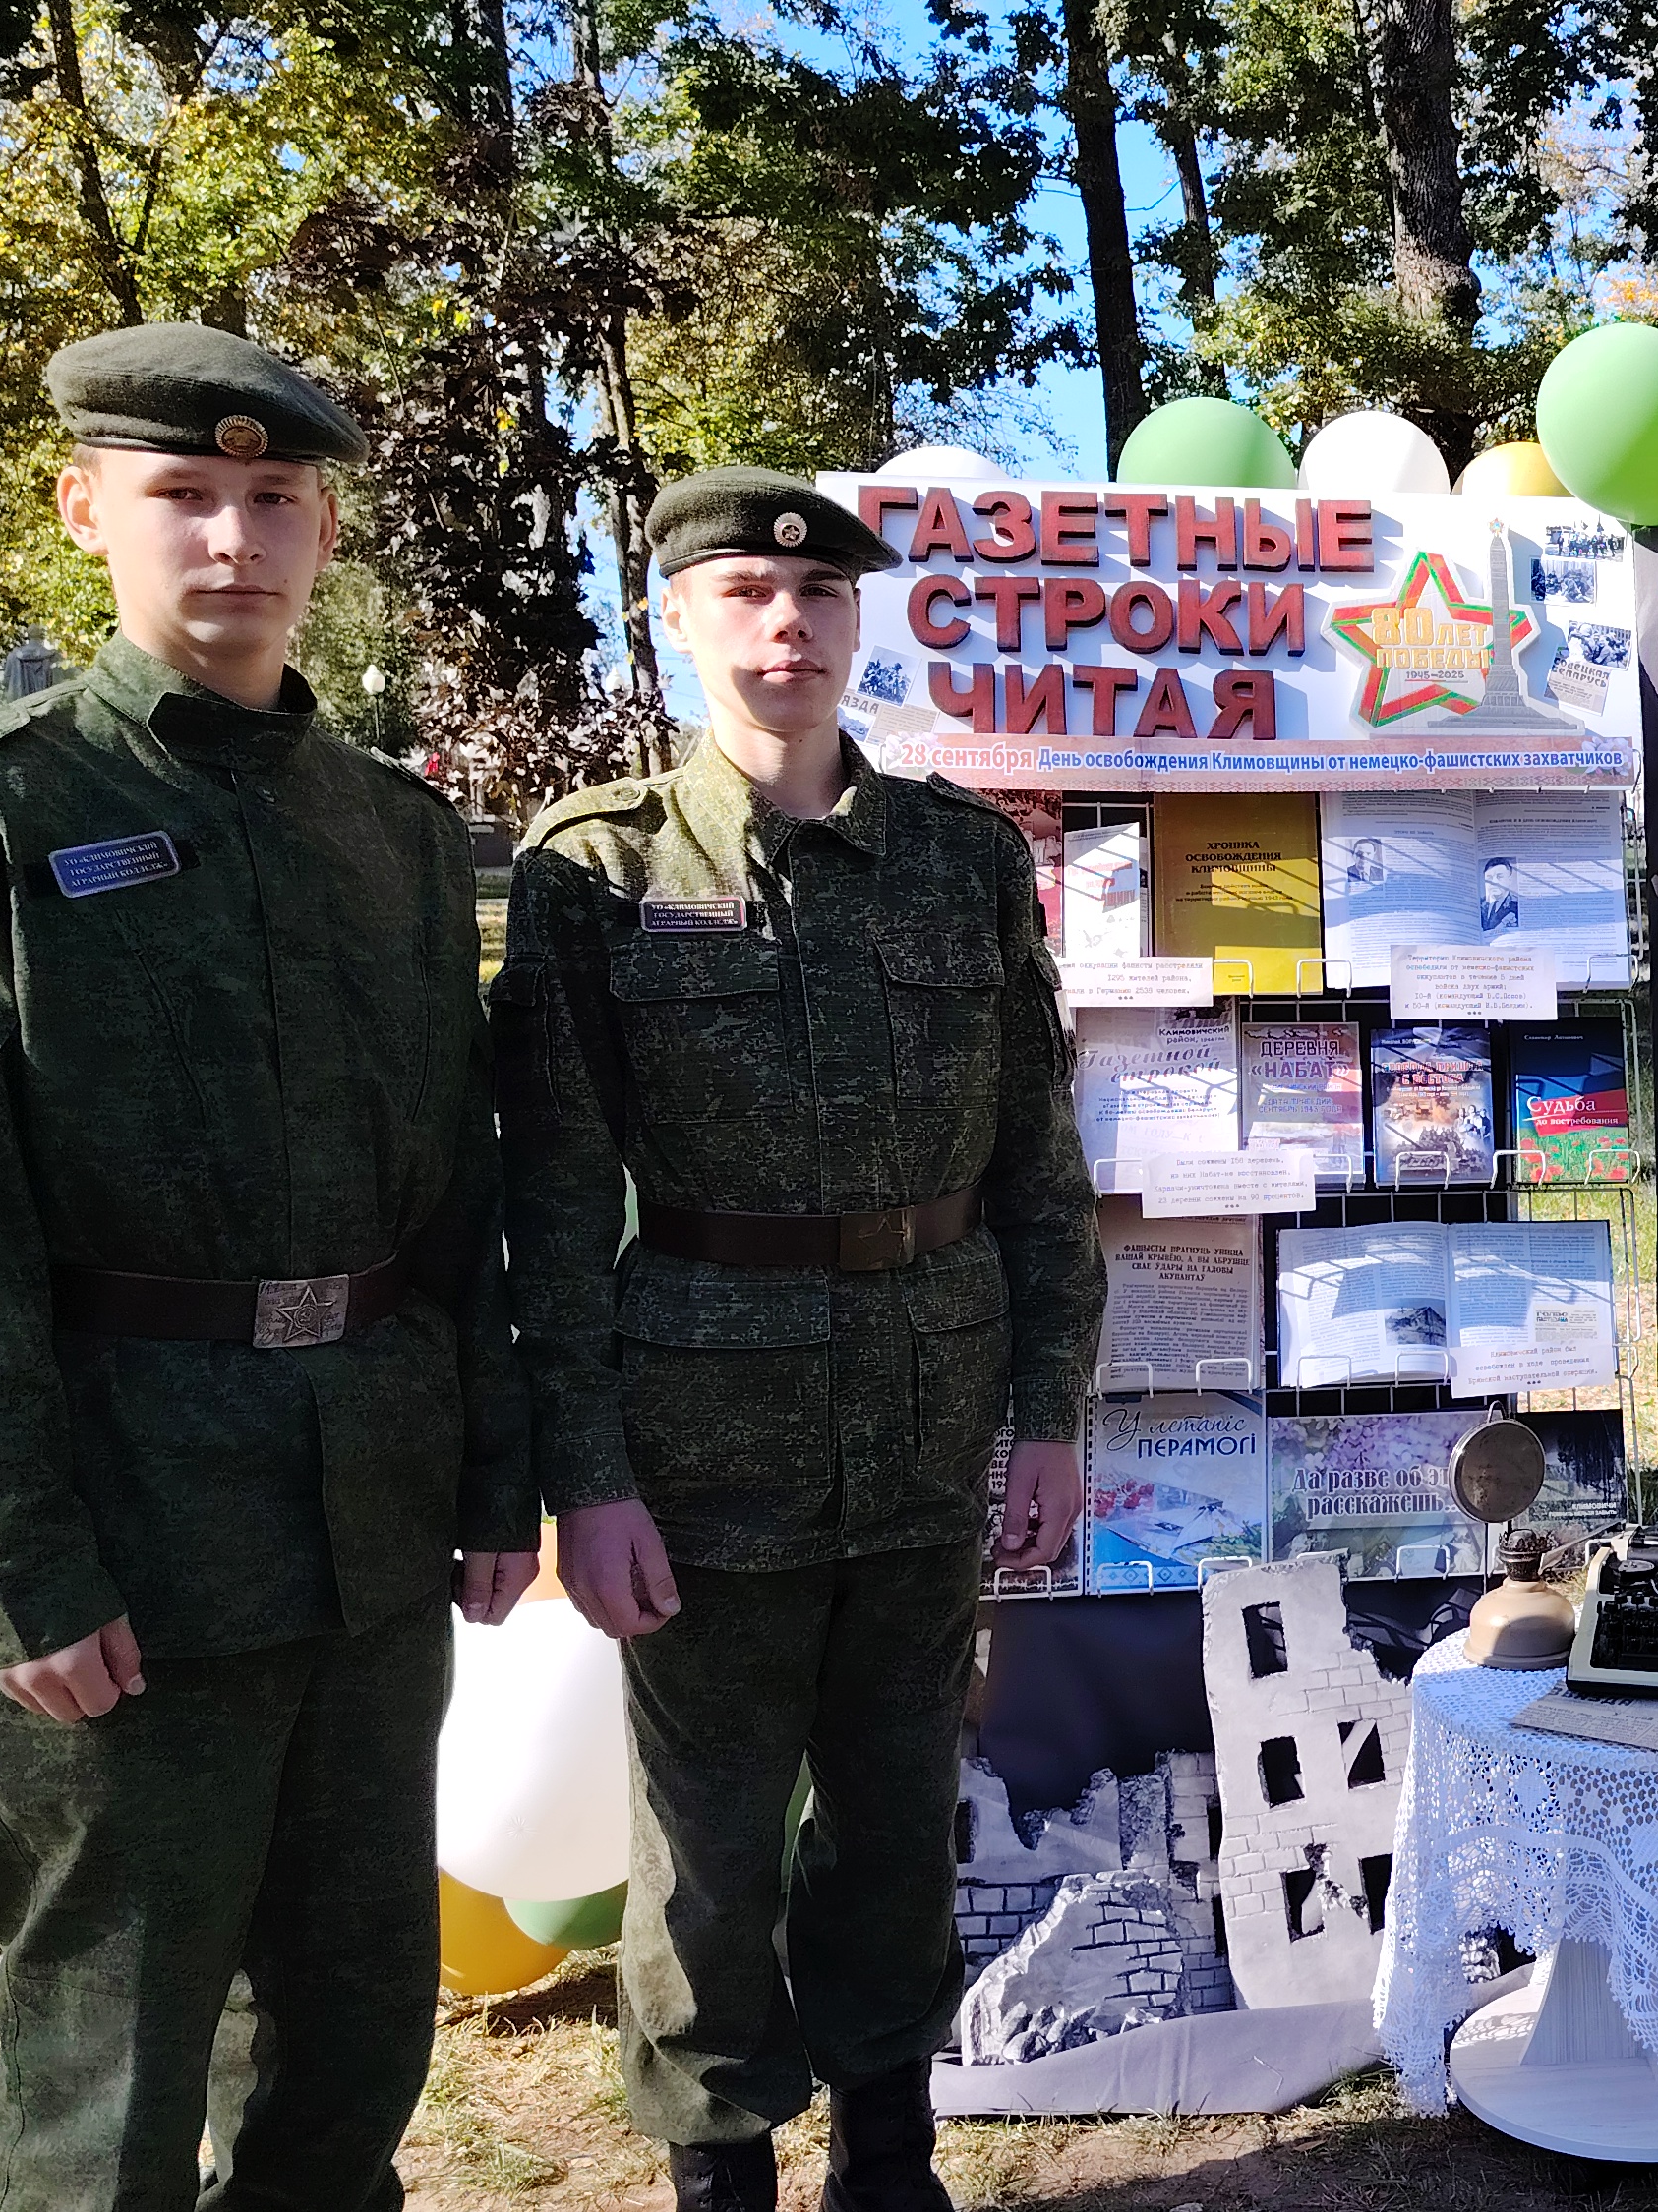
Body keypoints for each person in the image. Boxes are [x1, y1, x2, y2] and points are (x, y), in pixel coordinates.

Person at [0, 322, 537, 2211]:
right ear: (86, 511)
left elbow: (456, 1187)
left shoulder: (395, 833)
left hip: (371, 1514)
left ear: (326, 531)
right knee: (112, 2050)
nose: (232, 537)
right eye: (184, 494)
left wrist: (491, 1475)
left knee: (356, 2022)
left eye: (274, 498)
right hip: (132, 1529)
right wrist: (14, 1570)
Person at [492, 467, 1102, 2212]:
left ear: (856, 620)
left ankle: (888, 2163)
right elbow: (551, 1202)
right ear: (677, 619)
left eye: (820, 595)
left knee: (899, 1819)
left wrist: (1050, 1417)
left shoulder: (961, 859)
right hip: (702, 1445)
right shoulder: (599, 868)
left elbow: (1037, 1168)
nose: (787, 625)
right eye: (746, 596)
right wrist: (585, 1476)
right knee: (704, 1850)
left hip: (927, 1421)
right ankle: (721, 2169)